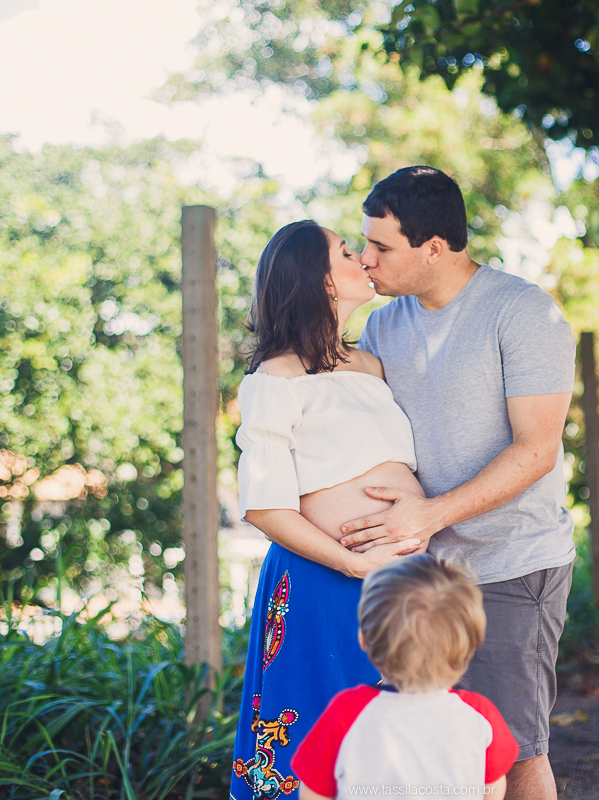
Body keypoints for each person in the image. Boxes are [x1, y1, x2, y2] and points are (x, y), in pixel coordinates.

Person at [339, 166, 576, 800]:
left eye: (382, 247)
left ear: (435, 248)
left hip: (511, 564)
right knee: (422, 756)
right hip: (418, 575)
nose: (367, 259)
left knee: (514, 750)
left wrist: (429, 514)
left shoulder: (522, 312)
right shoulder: (384, 326)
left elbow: (537, 450)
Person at [230, 220, 427, 800]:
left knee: (398, 744)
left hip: (401, 579)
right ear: (319, 281)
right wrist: (351, 563)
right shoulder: (275, 378)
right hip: (325, 583)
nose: (364, 258)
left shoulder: (371, 365)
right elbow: (265, 508)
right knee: (318, 743)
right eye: (347, 251)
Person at [290, 553, 518, 800]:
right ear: (468, 646)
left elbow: (313, 793)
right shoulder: (479, 714)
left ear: (364, 640)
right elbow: (492, 790)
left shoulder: (346, 713)